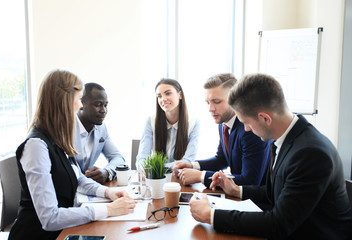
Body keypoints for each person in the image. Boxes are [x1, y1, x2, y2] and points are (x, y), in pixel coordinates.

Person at [189, 73, 352, 239]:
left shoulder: (310, 153)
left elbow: (279, 224)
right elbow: (273, 192)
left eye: (246, 122)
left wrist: (211, 215)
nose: (245, 129)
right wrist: (236, 190)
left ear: (265, 118)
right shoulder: (285, 137)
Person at [9, 70, 136, 240]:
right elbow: (50, 218)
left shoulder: (57, 137)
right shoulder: (36, 146)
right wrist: (108, 210)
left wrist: (108, 193)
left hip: (63, 231)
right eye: (78, 99)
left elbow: (78, 179)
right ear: (64, 101)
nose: (80, 106)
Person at [173, 73, 271, 188]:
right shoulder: (223, 122)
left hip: (256, 202)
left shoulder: (250, 129)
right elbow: (222, 159)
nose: (211, 109)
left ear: (235, 100)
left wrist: (201, 176)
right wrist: (192, 166)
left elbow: (250, 180)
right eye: (208, 102)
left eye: (217, 102)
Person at [136, 78, 200, 170]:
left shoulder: (194, 123)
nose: (163, 99)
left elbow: (188, 162)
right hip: (155, 179)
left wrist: (155, 167)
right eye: (159, 96)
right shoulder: (150, 121)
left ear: (180, 95)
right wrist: (147, 168)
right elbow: (142, 159)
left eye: (168, 93)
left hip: (180, 178)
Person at [74, 82, 125, 184]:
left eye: (105, 105)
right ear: (81, 104)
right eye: (98, 105)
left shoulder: (101, 128)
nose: (103, 110)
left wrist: (107, 172)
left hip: (88, 189)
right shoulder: (65, 127)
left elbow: (118, 158)